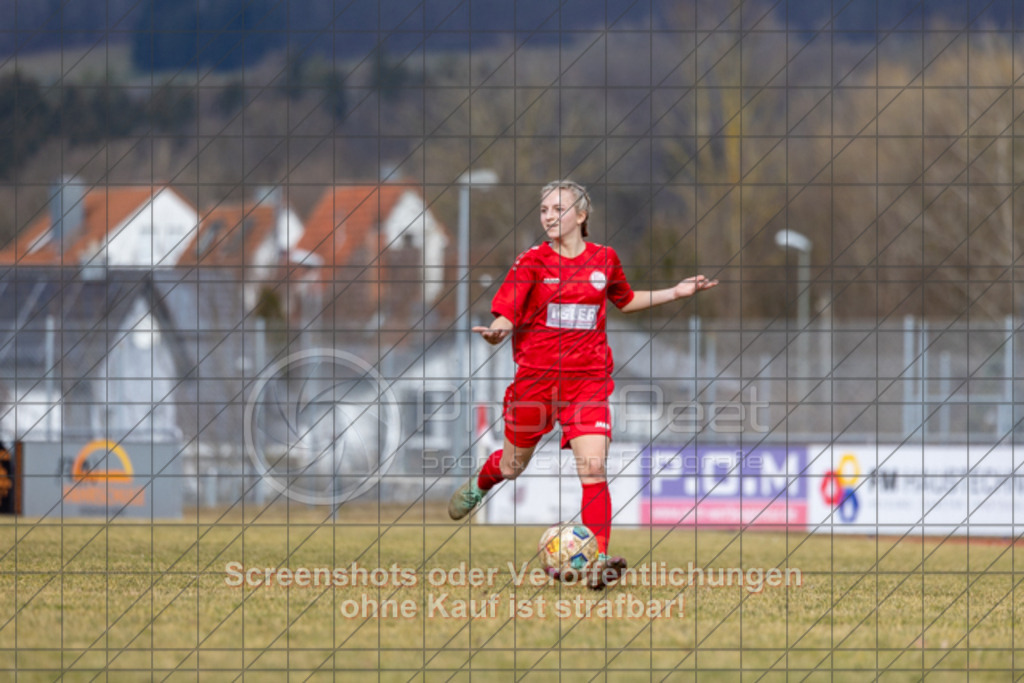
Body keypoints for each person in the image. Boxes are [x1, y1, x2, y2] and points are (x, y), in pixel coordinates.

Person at [447, 179, 717, 589]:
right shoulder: (531, 262)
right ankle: (485, 479)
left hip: (587, 384)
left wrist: (675, 293)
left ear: (581, 214)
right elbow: (506, 312)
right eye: (544, 210)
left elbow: (625, 301)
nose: (549, 216)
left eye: (557, 208)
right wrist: (499, 330)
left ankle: (598, 562)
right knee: (512, 466)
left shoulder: (605, 260)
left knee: (593, 467)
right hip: (535, 386)